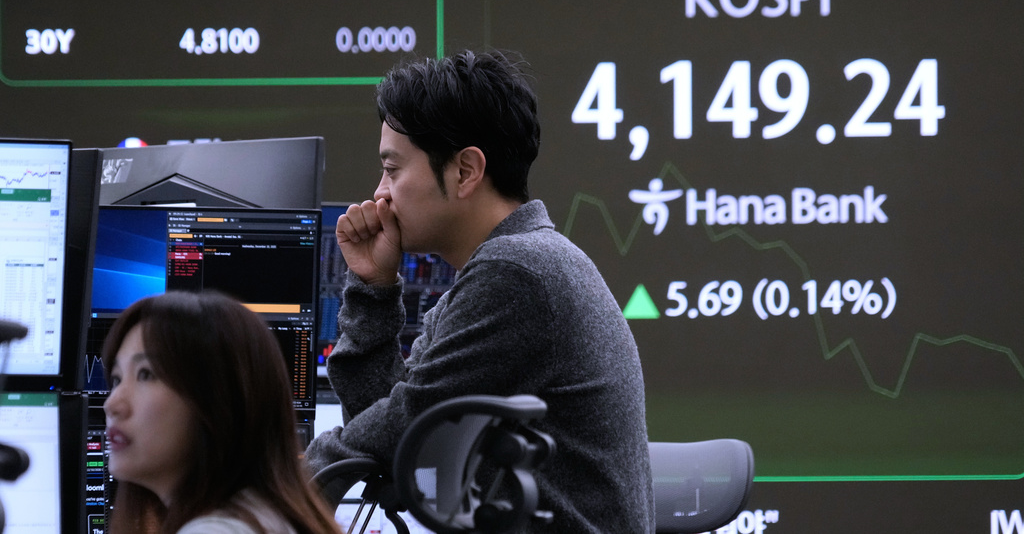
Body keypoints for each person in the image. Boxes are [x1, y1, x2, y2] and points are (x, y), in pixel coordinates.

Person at [306, 50, 656, 532]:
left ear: (466, 171)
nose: (380, 193)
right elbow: (395, 437)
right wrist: (373, 287)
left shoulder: (518, 272)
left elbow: (402, 424)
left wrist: (281, 486)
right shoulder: (502, 271)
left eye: (392, 169)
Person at [102, 290, 341, 534]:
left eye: (146, 374)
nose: (112, 404)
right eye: (116, 379)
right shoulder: (259, 516)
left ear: (218, 398)